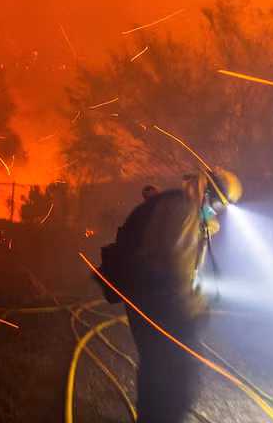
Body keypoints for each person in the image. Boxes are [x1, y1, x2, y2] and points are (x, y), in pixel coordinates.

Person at [95, 169, 241, 422]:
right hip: (160, 305)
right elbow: (176, 267)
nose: (217, 211)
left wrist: (206, 224)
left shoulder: (180, 207)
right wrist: (194, 311)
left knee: (157, 368)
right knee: (176, 376)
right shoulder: (183, 210)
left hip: (147, 300)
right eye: (218, 204)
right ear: (209, 194)